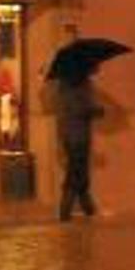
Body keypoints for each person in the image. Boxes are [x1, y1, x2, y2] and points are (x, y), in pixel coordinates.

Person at [55, 69, 103, 222]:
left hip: (71, 135)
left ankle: (88, 208)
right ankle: (65, 210)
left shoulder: (64, 86)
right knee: (75, 172)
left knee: (80, 171)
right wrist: (95, 110)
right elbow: (78, 109)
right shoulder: (76, 86)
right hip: (78, 136)